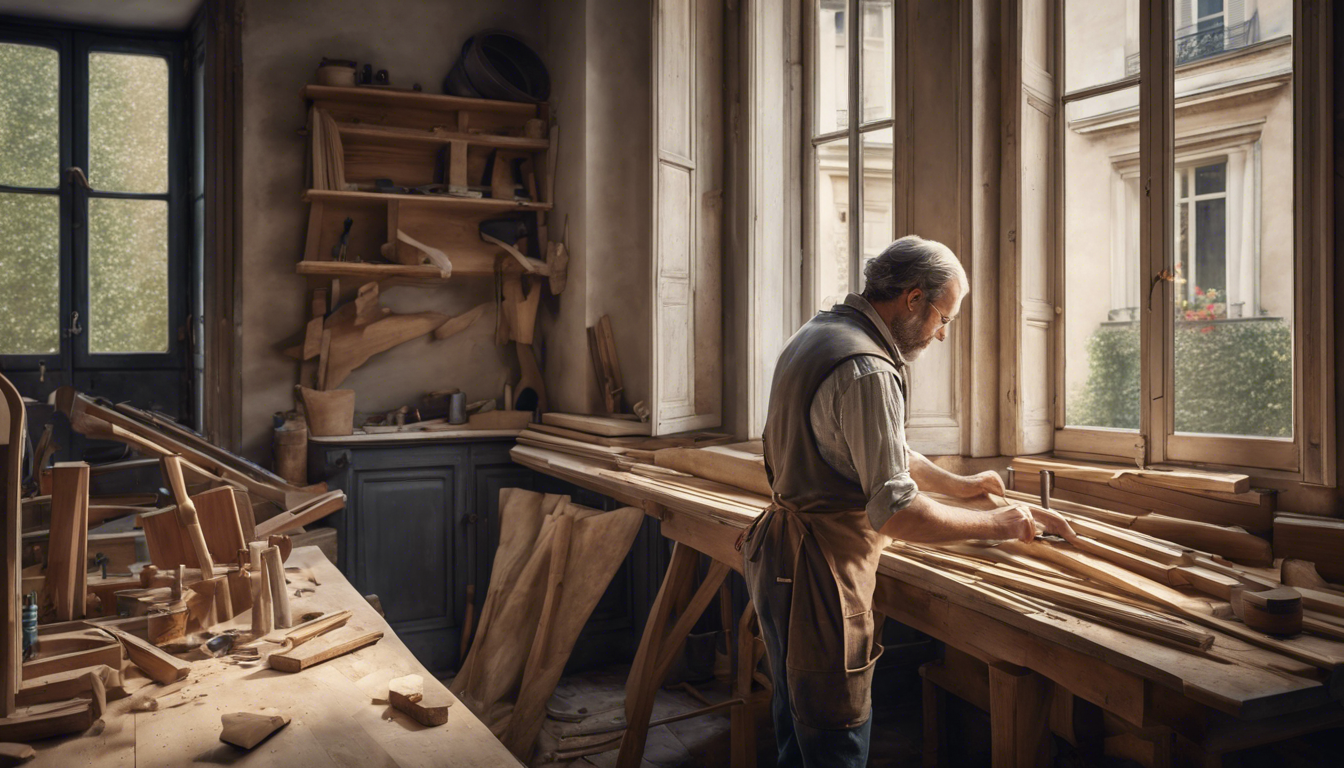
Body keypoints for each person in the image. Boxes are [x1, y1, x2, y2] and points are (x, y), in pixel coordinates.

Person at [740, 235, 1077, 767]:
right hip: (821, 574)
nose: (943, 334)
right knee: (833, 740)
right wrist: (1001, 523)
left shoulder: (822, 332)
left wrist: (963, 487)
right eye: (945, 317)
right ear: (913, 298)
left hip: (779, 557)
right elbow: (896, 512)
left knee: (795, 727)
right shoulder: (869, 369)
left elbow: (876, 450)